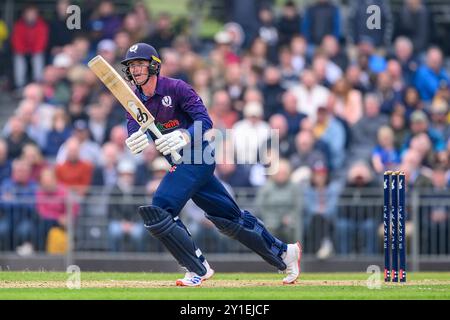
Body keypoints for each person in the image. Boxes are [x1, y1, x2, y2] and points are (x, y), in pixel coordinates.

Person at [121, 43, 301, 286]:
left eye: (140, 64)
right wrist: (134, 137)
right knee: (229, 219)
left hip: (198, 157)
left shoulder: (177, 88)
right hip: (179, 162)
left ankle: (197, 267)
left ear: (154, 65)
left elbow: (205, 121)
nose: (136, 70)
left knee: (161, 208)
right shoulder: (134, 99)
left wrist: (185, 135)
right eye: (132, 66)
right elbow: (134, 124)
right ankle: (285, 252)